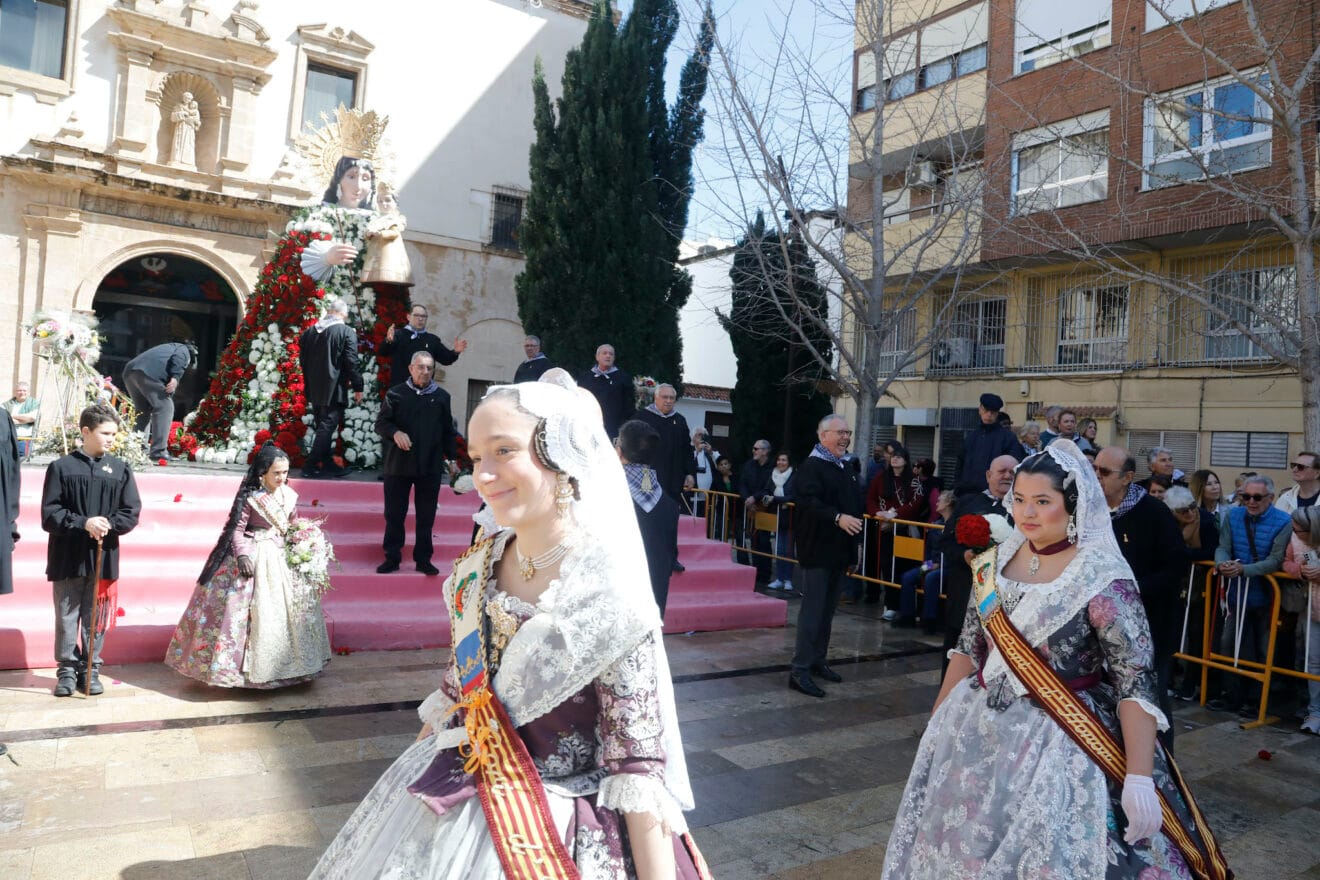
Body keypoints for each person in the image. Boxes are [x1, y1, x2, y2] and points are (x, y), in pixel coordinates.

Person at [310, 380, 708, 878]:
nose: (483, 475)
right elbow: (459, 692)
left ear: (561, 457)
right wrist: (401, 789)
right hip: (458, 796)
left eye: (504, 451)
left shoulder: (608, 590)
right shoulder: (477, 565)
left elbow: (636, 766)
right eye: (476, 457)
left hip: (558, 828)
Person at [883, 440, 1231, 879]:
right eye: (1020, 499)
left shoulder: (1102, 575)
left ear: (1072, 504)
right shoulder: (993, 563)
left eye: (1043, 501)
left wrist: (1140, 776)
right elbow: (969, 649)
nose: (1027, 513)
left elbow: (1135, 679)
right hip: (977, 728)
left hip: (1063, 735)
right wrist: (938, 725)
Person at [166, 443, 332, 687]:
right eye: (276, 473)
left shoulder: (288, 495)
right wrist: (243, 555)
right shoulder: (252, 497)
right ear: (263, 472)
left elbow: (292, 523)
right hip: (255, 553)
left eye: (285, 472)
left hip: (282, 557)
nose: (281, 477)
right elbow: (237, 529)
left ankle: (294, 667)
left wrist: (304, 539)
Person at [40, 405, 142, 697]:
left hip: (103, 555)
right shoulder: (61, 467)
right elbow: (50, 514)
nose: (111, 439)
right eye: (105, 433)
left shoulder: (120, 469)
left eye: (114, 434)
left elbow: (131, 511)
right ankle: (67, 670)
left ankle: (90, 668)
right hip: (67, 555)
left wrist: (108, 524)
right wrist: (83, 523)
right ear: (86, 431)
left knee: (95, 616)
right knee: (66, 614)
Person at [1093, 447, 1189, 747]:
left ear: (1128, 477)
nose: (1096, 476)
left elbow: (1176, 566)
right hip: (1102, 624)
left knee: (1150, 698)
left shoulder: (1154, 512)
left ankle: (1162, 763)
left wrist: (1133, 590)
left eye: (1104, 472)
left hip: (1150, 623)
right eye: (1094, 469)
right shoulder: (1089, 509)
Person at [787, 415, 863, 698]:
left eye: (847, 432)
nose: (845, 437)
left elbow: (854, 507)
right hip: (817, 550)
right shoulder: (811, 466)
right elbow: (807, 503)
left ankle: (818, 660)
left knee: (828, 611)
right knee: (813, 611)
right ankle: (799, 670)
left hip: (839, 551)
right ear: (823, 436)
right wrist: (837, 517)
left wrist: (855, 548)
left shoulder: (845, 466)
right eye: (839, 432)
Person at [1209, 474, 1291, 716]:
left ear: (1271, 498)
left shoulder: (1284, 521)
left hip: (1267, 595)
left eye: (1257, 497)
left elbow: (1276, 559)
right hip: (1236, 593)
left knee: (1264, 649)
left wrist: (1243, 570)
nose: (1251, 502)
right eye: (1246, 496)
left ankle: (1256, 700)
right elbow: (1223, 547)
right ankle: (1231, 695)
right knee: (1228, 643)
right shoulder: (1233, 516)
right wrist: (1222, 564)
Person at [375, 352, 459, 575]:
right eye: (420, 367)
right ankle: (392, 557)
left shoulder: (442, 397)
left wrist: (452, 461)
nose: (425, 371)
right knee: (394, 514)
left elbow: (448, 432)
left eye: (429, 368)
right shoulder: (396, 393)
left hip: (429, 466)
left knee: (426, 516)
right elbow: (381, 423)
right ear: (411, 368)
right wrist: (395, 432)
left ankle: (423, 559)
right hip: (398, 466)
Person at [939, 454, 1016, 664]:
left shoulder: (1023, 509)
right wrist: (963, 555)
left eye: (1012, 472)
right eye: (1002, 471)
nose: (1007, 476)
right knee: (955, 654)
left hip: (1003, 597)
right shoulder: (968, 503)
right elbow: (946, 542)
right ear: (989, 475)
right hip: (964, 591)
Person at [618, 419, 680, 617]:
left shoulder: (608, 496)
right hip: (653, 605)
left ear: (619, 451)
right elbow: (671, 554)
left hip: (616, 602)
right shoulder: (669, 505)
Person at [632, 384, 695, 572]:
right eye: (665, 397)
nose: (668, 401)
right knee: (646, 520)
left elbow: (687, 449)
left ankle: (671, 559)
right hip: (646, 479)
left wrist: (690, 473)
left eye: (671, 398)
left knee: (670, 520)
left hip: (673, 479)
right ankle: (644, 559)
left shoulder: (680, 420)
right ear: (656, 398)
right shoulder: (642, 418)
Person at [1164, 485, 1219, 703]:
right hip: (1176, 585)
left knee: (1197, 636)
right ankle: (1167, 680)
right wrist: (1183, 549)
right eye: (1183, 511)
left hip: (1202, 586)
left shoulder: (1206, 521)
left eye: (1192, 507)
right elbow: (1166, 552)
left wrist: (1184, 551)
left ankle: (1190, 684)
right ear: (1173, 512)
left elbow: (1211, 552)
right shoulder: (1167, 523)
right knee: (1172, 634)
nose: (1190, 513)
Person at [299, 298, 364, 478]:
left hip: (314, 386)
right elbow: (351, 361)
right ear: (343, 314)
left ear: (329, 311)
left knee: (323, 426)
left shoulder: (309, 332)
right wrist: (358, 386)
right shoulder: (345, 331)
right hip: (334, 387)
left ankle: (327, 463)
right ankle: (310, 466)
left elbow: (302, 361)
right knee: (327, 427)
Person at [866, 443, 929, 609]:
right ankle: (890, 604)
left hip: (905, 530)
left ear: (906, 461)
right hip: (885, 530)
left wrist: (894, 514)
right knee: (887, 566)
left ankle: (906, 606)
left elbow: (916, 503)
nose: (895, 459)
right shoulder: (881, 477)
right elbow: (870, 498)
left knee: (905, 566)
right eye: (893, 456)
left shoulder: (914, 480)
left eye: (899, 457)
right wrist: (878, 513)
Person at [122, 340, 196, 463]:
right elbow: (179, 358)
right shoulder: (183, 349)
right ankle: (159, 451)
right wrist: (175, 377)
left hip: (130, 372)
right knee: (165, 407)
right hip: (147, 373)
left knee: (143, 410)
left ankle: (138, 449)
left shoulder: (166, 349)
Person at [895, 490, 953, 634]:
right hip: (932, 563)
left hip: (947, 566)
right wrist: (927, 563)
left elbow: (954, 553)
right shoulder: (936, 525)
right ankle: (907, 616)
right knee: (908, 577)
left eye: (940, 500)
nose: (937, 503)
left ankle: (929, 620)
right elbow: (929, 549)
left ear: (948, 503)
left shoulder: (956, 526)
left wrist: (940, 564)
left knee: (931, 578)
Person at [1284, 507, 1320, 733]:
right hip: (1312, 610)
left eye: (1299, 531)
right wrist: (1300, 570)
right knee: (1313, 662)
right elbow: (1286, 562)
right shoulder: (1297, 542)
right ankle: (1315, 712)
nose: (1295, 534)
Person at [378, 304, 466, 392]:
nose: (420, 319)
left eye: (423, 316)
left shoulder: (432, 340)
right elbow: (383, 352)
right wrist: (388, 341)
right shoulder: (399, 335)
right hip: (401, 390)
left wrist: (456, 352)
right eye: (416, 315)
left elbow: (446, 359)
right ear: (408, 317)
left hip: (424, 391)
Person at [954, 393, 1022, 493]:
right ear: (980, 410)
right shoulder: (971, 436)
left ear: (997, 413)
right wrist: (956, 487)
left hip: (993, 494)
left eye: (993, 412)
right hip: (966, 493)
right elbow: (960, 464)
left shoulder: (1008, 438)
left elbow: (1014, 467)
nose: (989, 414)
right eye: (986, 410)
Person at [577, 343, 634, 439]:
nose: (608, 356)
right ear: (597, 357)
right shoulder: (585, 378)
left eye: (611, 354)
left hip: (614, 428)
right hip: (588, 427)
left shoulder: (623, 378)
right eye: (605, 353)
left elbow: (629, 406)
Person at [738, 439, 774, 583]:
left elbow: (769, 486)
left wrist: (755, 497)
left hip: (765, 508)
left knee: (764, 541)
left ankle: (765, 574)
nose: (753, 451)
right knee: (754, 540)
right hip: (750, 508)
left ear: (765, 451)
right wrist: (747, 499)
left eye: (756, 448)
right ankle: (755, 572)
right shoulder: (749, 465)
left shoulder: (773, 467)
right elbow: (742, 483)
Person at [763, 452, 795, 591]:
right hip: (777, 517)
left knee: (788, 550)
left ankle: (788, 579)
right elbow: (766, 490)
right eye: (779, 460)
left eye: (784, 460)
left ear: (789, 462)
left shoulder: (794, 476)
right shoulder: (773, 475)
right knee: (779, 549)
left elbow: (793, 496)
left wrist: (775, 499)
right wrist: (765, 497)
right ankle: (779, 578)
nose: (780, 462)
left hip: (791, 518)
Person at [687, 427, 720, 517]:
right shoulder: (689, 451)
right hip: (694, 497)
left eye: (704, 435)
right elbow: (687, 465)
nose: (702, 437)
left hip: (710, 497)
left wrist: (711, 453)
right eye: (699, 435)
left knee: (708, 522)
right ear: (693, 439)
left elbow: (721, 466)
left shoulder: (712, 452)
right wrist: (697, 451)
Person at [3, 380, 38, 457]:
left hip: (24, 439)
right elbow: (3, 419)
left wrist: (12, 416)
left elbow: (33, 417)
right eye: (19, 390)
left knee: (22, 459)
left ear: (28, 392)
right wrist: (25, 420)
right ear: (15, 392)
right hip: (9, 439)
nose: (22, 392)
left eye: (24, 390)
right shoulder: (6, 404)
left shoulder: (34, 403)